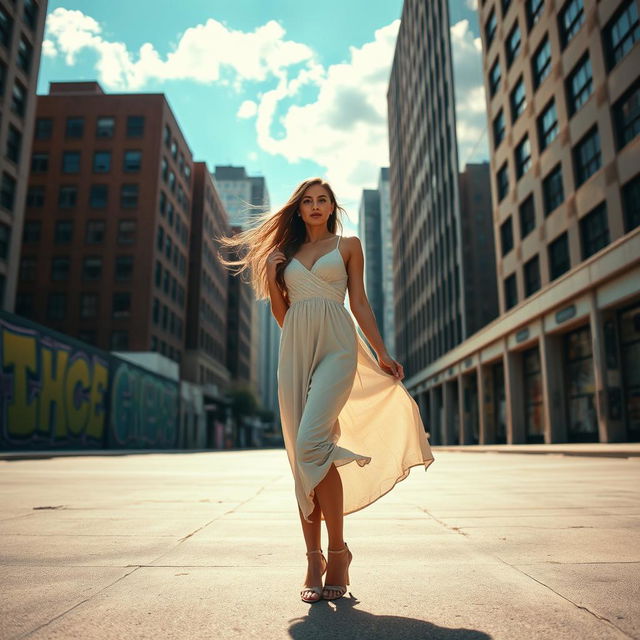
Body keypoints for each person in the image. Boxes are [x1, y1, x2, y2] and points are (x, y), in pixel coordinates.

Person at [216, 177, 435, 604]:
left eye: (323, 200)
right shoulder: (285, 255)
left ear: (333, 207)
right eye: (308, 201)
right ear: (298, 209)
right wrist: (271, 271)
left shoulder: (348, 245)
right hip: (295, 353)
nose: (316, 206)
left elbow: (360, 303)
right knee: (303, 460)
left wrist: (382, 352)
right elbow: (283, 317)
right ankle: (315, 558)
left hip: (338, 347)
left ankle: (337, 552)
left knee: (311, 442)